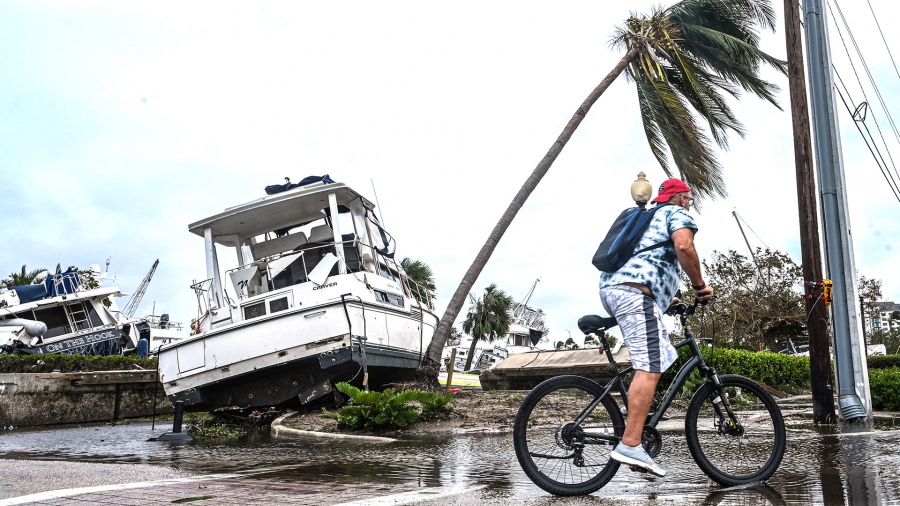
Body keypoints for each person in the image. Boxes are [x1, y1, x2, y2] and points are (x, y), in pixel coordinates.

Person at [598, 177, 714, 477]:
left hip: (622, 289)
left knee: (656, 358)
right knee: (649, 366)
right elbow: (684, 247)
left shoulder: (648, 218)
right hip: (633, 294)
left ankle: (635, 413)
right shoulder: (675, 214)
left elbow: (649, 260)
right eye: (688, 198)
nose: (690, 204)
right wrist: (700, 286)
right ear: (679, 198)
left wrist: (669, 297)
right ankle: (631, 443)